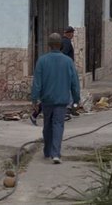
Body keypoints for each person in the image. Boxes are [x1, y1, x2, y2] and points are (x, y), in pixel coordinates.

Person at [30, 32, 80, 164]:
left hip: (47, 100)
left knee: (47, 125)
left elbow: (37, 83)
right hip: (62, 100)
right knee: (58, 125)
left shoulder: (42, 60)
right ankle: (56, 154)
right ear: (61, 45)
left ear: (49, 45)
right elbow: (75, 82)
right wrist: (76, 99)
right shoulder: (68, 61)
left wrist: (34, 99)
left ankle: (47, 151)